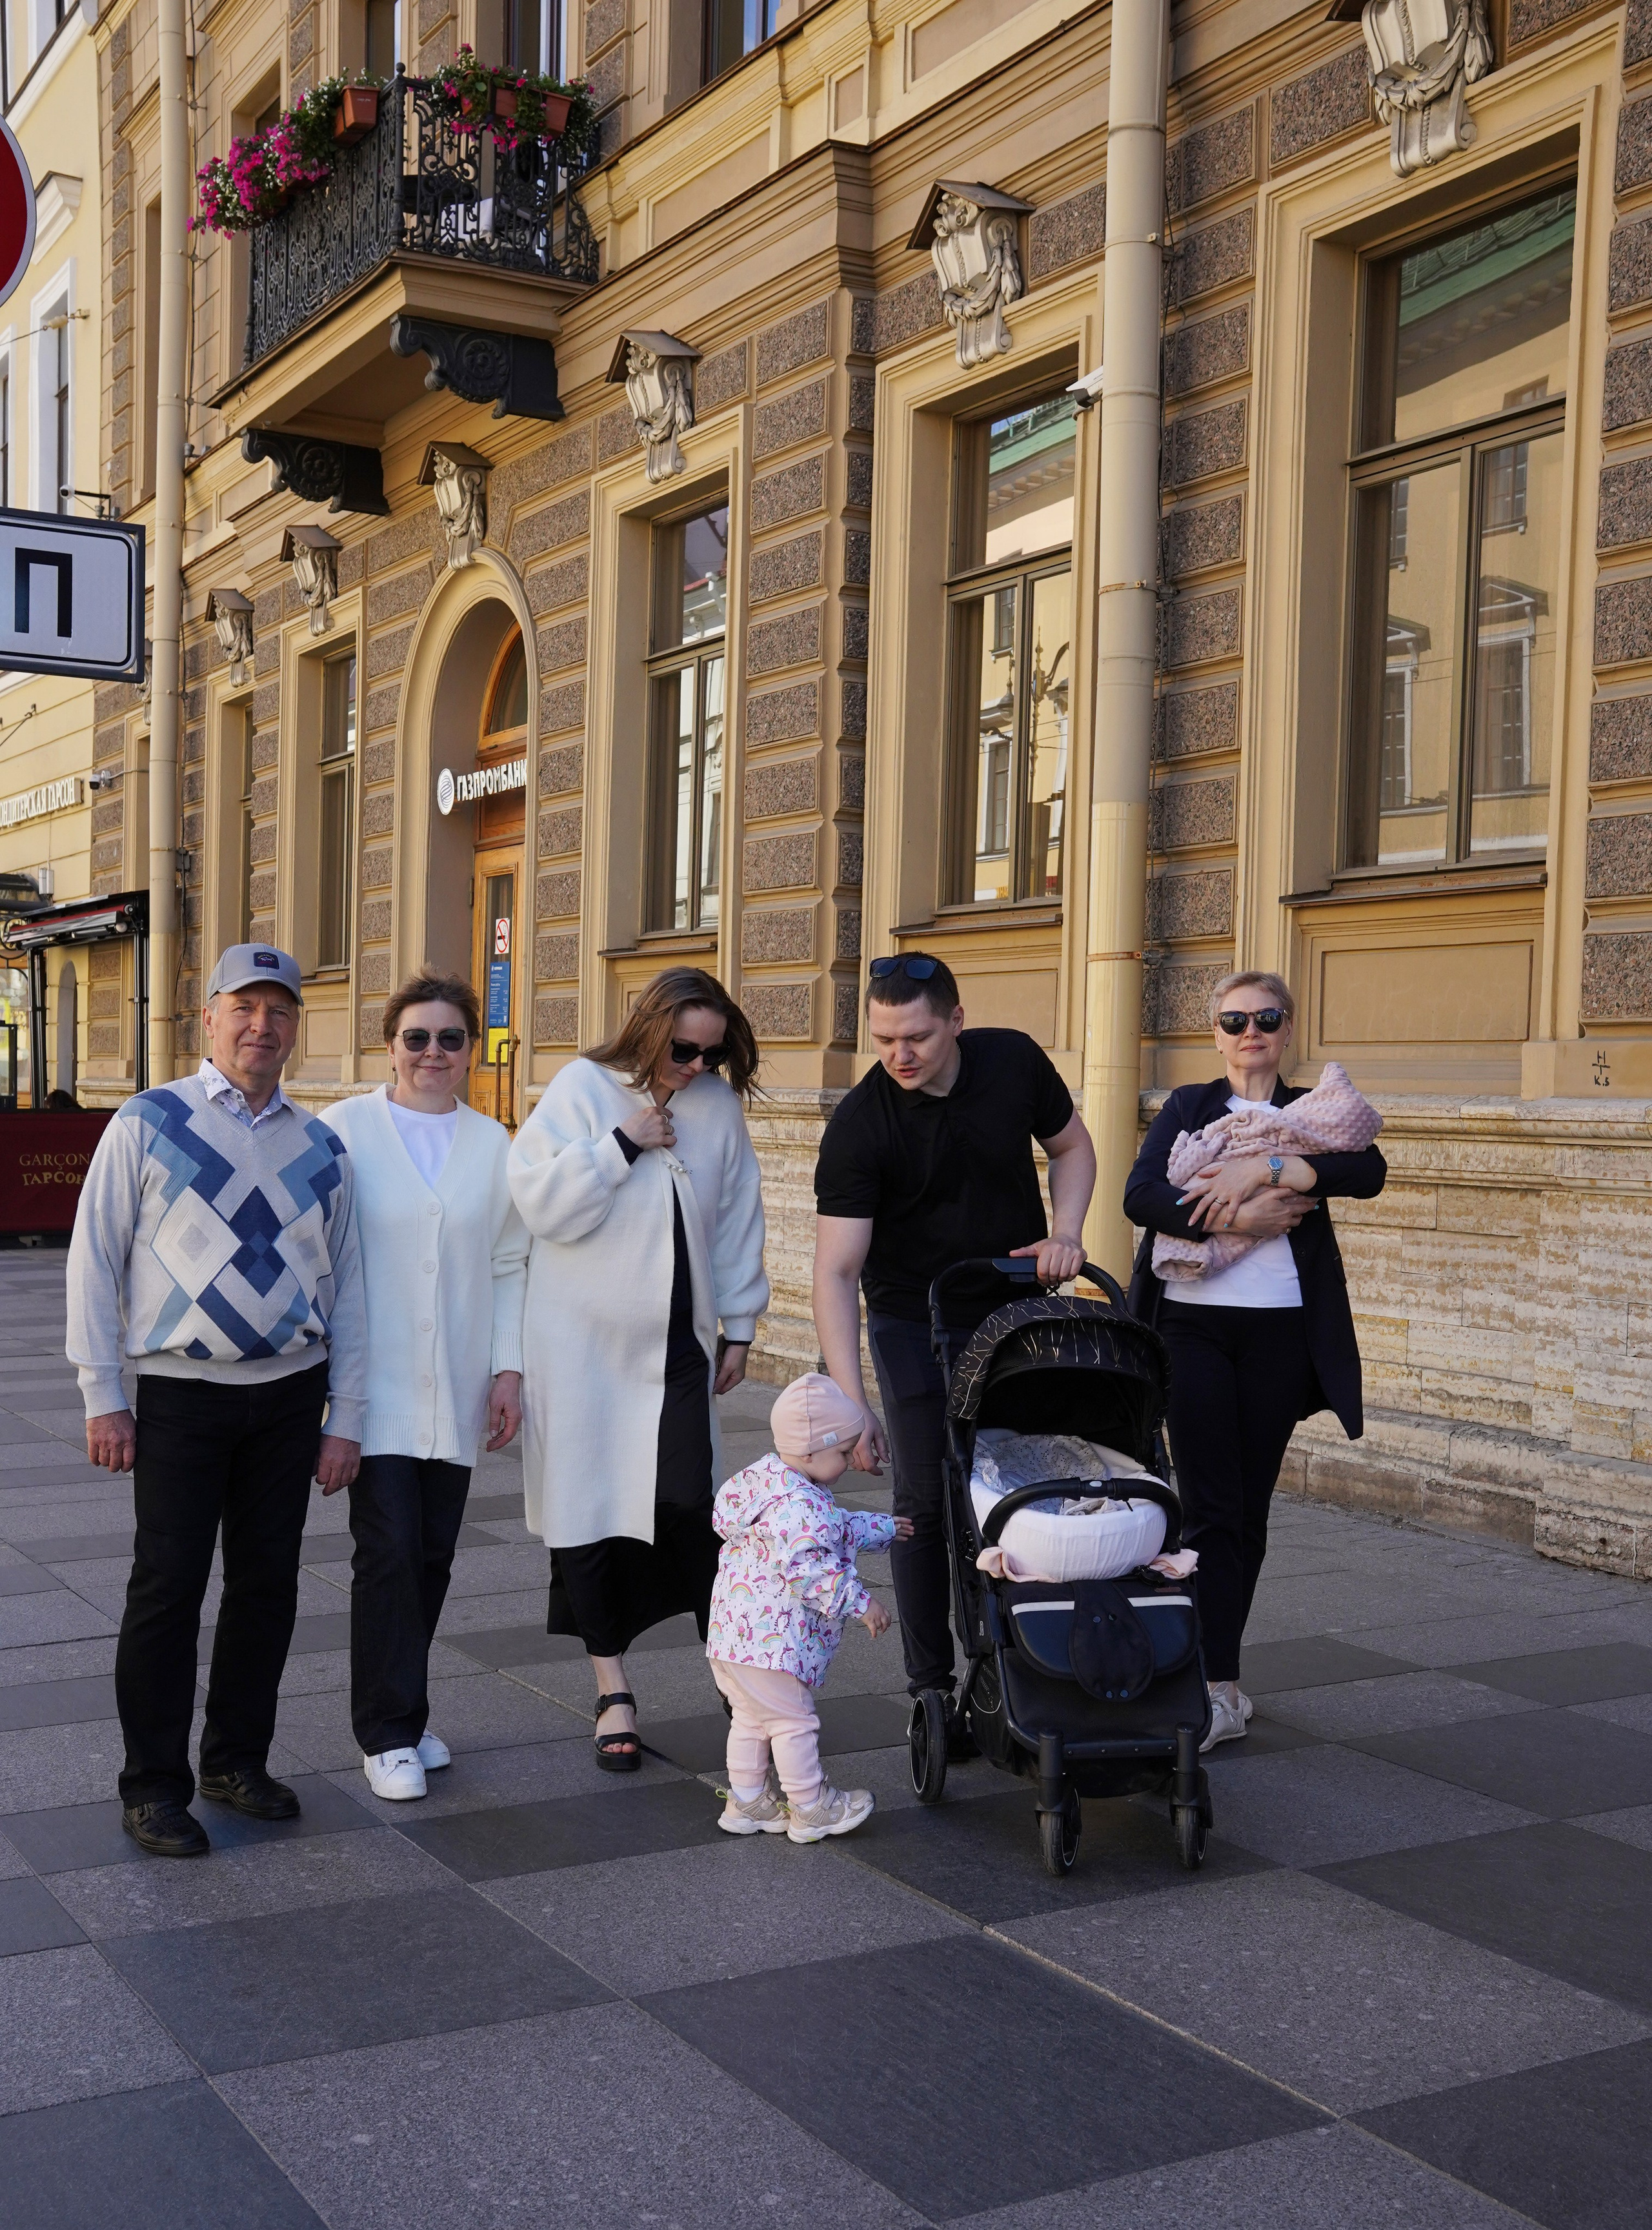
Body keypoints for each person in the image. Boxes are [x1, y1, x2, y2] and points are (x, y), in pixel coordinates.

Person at [66, 944, 366, 1858]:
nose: (260, 1027)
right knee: (167, 1590)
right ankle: (153, 1785)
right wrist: (102, 1393)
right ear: (210, 1017)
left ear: (294, 1028)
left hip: (288, 1398)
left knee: (267, 1589)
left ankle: (234, 1761)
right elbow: (94, 1258)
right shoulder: (149, 1122)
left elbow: (349, 1286)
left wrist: (345, 1416)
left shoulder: (322, 1146)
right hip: (181, 1397)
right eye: (244, 1008)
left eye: (278, 1011)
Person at [812, 953, 1096, 1740]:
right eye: (883, 1038)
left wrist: (1065, 1232)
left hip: (1014, 1301)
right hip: (912, 1318)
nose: (899, 1055)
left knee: (1033, 1477)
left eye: (917, 1037)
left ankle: (1044, 1656)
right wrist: (851, 1402)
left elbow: (1072, 1148)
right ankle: (931, 1687)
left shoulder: (1011, 1061)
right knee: (924, 1504)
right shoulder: (861, 1125)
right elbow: (835, 1274)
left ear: (956, 1022)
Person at [508, 967, 768, 1772]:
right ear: (650, 1028)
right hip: (577, 1346)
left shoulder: (717, 1107)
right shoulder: (583, 1088)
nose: (694, 1067)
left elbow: (735, 1216)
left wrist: (742, 1324)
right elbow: (539, 1204)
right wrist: (624, 1142)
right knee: (584, 1514)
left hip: (677, 1349)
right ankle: (611, 1689)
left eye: (709, 1055)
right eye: (683, 1050)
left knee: (695, 1509)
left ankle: (736, 1677)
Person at [1123, 970, 1387, 1750]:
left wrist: (1270, 1167)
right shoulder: (1190, 1108)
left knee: (1247, 1508)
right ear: (1215, 1033)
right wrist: (1242, 1214)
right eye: (1233, 1020)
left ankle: (1223, 1681)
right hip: (1192, 1329)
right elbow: (1141, 1196)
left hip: (1279, 1334)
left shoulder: (1314, 1113)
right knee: (1207, 1504)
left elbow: (1367, 1171)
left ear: (1286, 1026)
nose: (1250, 1031)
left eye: (1265, 1017)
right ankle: (1206, 1683)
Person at [323, 971, 528, 1802]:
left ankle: (404, 1706)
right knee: (388, 1554)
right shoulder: (342, 1132)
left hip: (458, 1385)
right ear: (390, 1045)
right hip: (372, 1391)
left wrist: (508, 1367)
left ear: (471, 1050)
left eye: (450, 1039)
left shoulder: (494, 1144)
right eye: (417, 1038)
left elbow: (511, 1263)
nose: (433, 1053)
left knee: (434, 1558)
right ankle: (386, 1732)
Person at [707, 1372, 910, 1843]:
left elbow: (832, 1526)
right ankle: (810, 1805)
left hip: (733, 1638)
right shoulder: (799, 1506)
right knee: (794, 1721)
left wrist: (883, 1529)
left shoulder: (770, 1485)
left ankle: (748, 1800)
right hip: (772, 1644)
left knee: (752, 1718)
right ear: (812, 1450)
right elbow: (810, 1568)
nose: (847, 1462)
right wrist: (862, 1604)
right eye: (843, 1453)